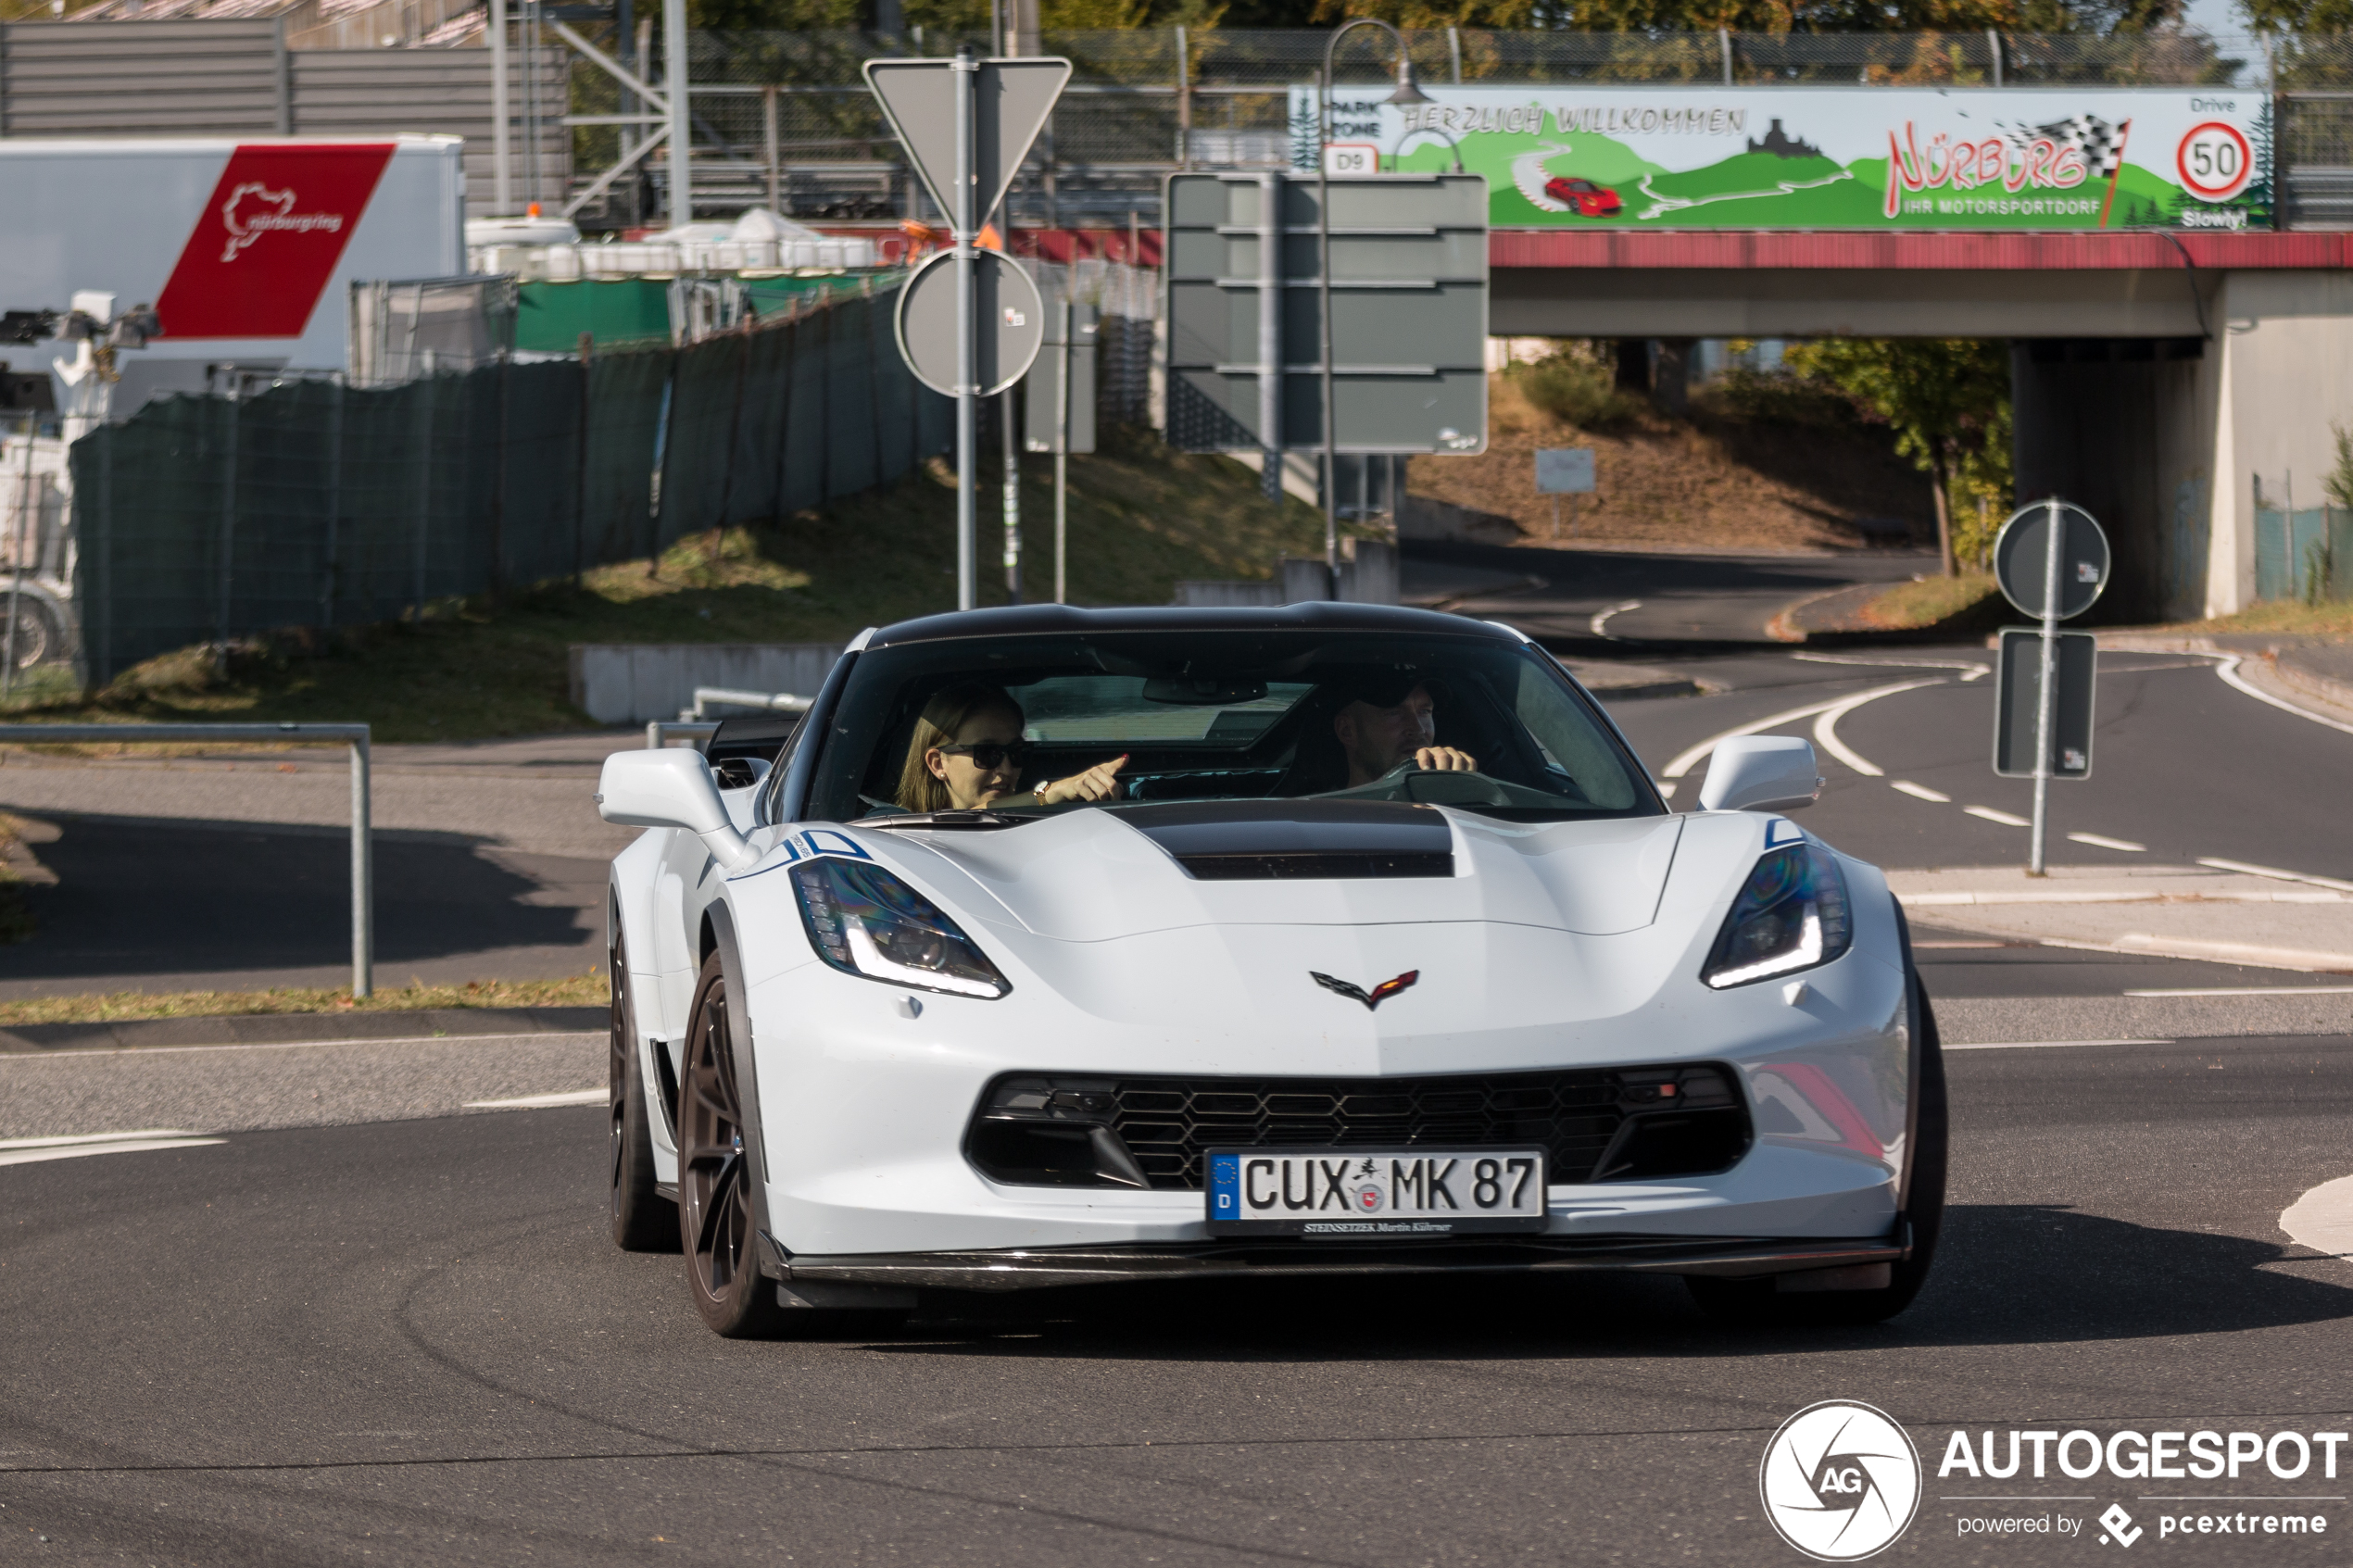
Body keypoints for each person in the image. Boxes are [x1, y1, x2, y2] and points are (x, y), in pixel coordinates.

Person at [894, 682, 1127, 812]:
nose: (1007, 768)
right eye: (987, 753)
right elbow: (963, 820)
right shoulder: (888, 830)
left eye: (1016, 752)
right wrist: (1049, 794)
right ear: (938, 763)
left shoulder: (1052, 827)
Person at [1331, 675, 1478, 787]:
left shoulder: (1450, 814)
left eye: (1425, 711)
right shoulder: (1320, 818)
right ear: (1347, 731)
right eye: (1393, 713)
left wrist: (1459, 789)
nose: (1418, 730)